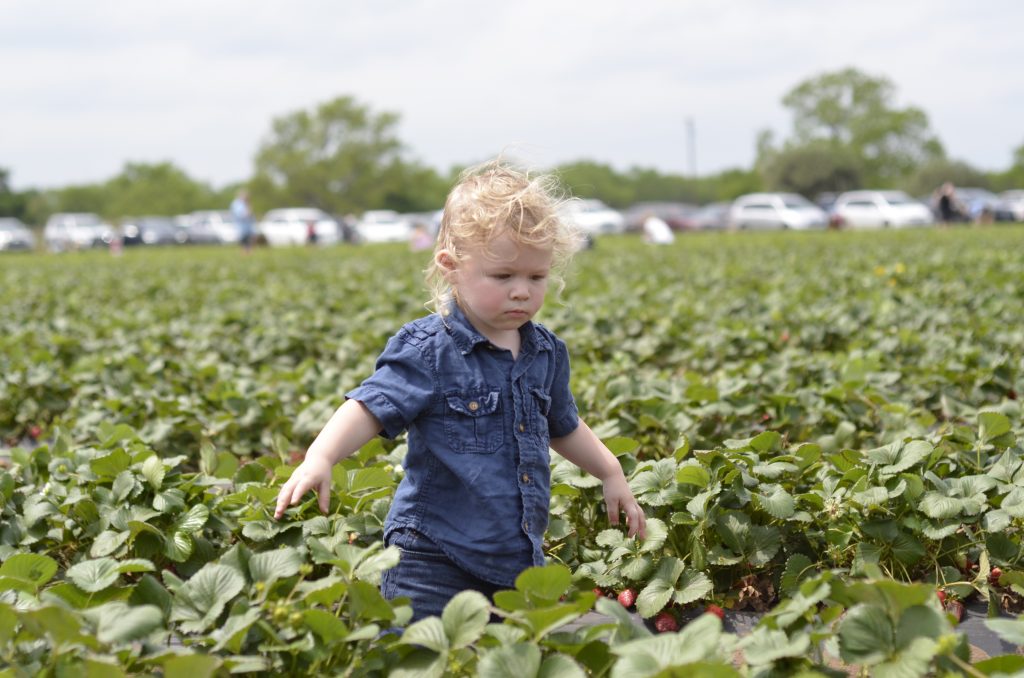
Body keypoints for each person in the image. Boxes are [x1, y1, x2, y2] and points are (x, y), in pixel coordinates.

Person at [274, 160, 647, 621]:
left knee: (507, 653)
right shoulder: (429, 349)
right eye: (503, 276)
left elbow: (563, 425)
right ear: (451, 267)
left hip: (515, 560)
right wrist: (321, 457)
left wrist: (609, 471)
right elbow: (370, 406)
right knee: (424, 651)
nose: (521, 292)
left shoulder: (545, 352)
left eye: (536, 277)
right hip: (430, 559)